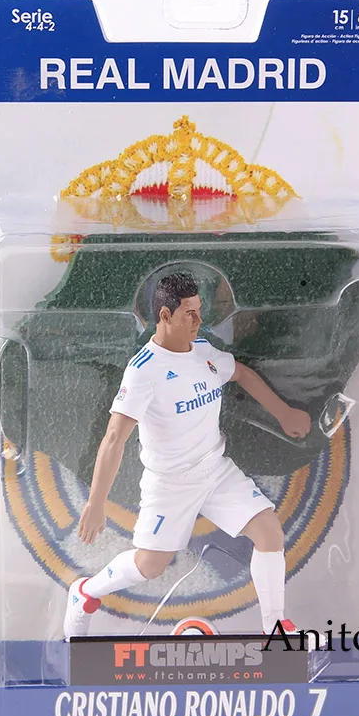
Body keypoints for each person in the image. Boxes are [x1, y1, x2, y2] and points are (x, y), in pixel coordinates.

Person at [63, 271, 311, 639]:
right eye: (189, 313)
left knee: (268, 531)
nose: (198, 320)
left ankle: (275, 627)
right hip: (171, 483)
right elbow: (114, 437)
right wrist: (96, 502)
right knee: (150, 565)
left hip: (215, 470)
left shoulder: (204, 353)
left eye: (199, 311)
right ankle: (85, 592)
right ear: (165, 315)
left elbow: (242, 374)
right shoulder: (143, 371)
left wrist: (284, 413)